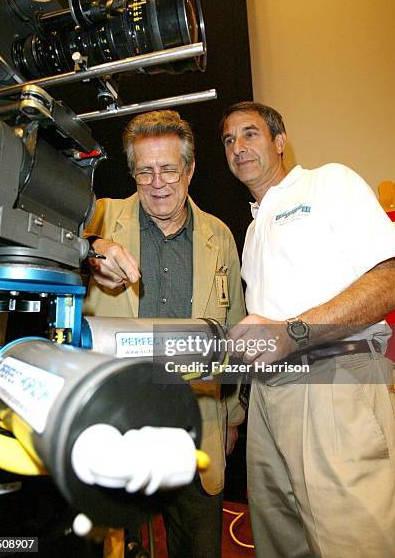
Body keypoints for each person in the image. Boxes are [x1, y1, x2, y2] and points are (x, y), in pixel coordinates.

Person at [220, 101, 395, 558]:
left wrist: (293, 333)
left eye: (250, 134)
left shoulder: (328, 182)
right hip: (266, 398)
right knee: (281, 544)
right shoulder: (252, 229)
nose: (238, 147)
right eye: (228, 140)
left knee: (355, 544)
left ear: (280, 142)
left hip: (332, 383)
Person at [83, 109, 246, 558]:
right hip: (115, 429)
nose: (157, 183)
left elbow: (234, 334)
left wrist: (231, 416)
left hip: (196, 428)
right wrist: (92, 250)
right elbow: (56, 243)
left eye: (169, 169)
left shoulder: (220, 236)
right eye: (144, 171)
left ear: (190, 168)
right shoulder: (100, 217)